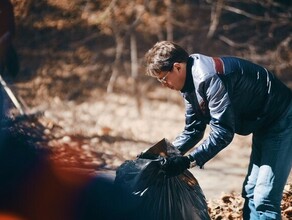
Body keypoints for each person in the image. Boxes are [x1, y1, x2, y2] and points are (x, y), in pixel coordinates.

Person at [144, 41, 292, 219]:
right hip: (262, 122)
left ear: (177, 68)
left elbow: (223, 133)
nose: (163, 84)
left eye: (163, 78)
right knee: (251, 191)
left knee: (265, 199)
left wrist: (188, 161)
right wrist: (161, 157)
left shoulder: (209, 78)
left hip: (282, 118)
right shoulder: (189, 84)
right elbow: (193, 130)